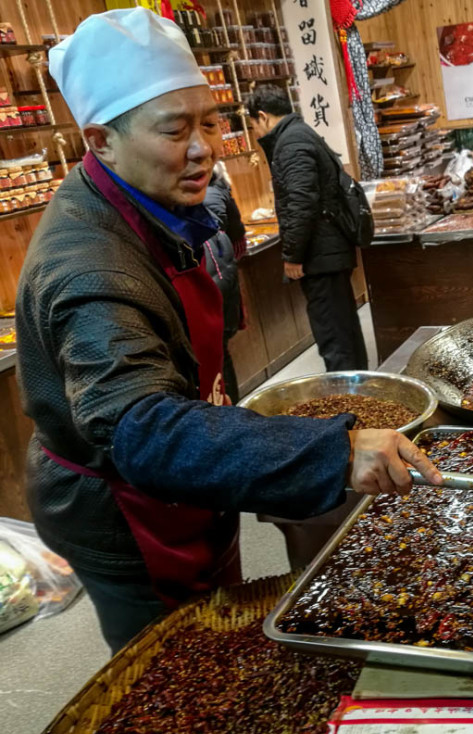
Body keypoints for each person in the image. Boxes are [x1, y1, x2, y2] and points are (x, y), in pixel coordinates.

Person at [15, 9, 441, 654]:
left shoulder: (149, 205)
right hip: (121, 506)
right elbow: (138, 425)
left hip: (178, 478)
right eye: (174, 129)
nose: (203, 148)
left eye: (209, 122)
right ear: (100, 140)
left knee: (224, 629)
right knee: (170, 665)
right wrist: (333, 451)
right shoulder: (88, 263)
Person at [246, 84, 369, 373]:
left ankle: (349, 402)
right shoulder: (301, 133)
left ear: (262, 116)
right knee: (344, 326)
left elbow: (302, 203)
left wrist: (292, 256)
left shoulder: (290, 144)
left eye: (253, 125)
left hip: (321, 254)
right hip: (331, 248)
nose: (255, 133)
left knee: (334, 335)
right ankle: (361, 390)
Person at [203, 162, 245, 401]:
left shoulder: (200, 210)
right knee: (221, 357)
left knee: (217, 358)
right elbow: (237, 239)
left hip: (215, 295)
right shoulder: (219, 191)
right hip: (223, 292)